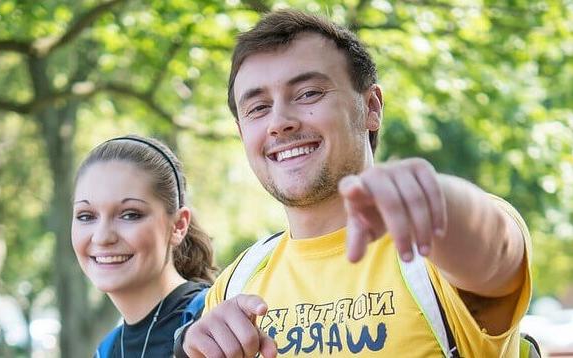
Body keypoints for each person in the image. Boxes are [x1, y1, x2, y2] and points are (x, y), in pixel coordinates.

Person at [178, 9, 532, 358]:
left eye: (308, 93)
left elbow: (494, 250)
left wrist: (437, 202)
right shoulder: (234, 285)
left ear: (371, 107)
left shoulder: (439, 244)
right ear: (242, 133)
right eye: (257, 108)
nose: (279, 122)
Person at [71, 135, 216, 357]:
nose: (102, 237)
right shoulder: (107, 350)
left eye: (130, 215)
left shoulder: (212, 319)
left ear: (178, 225)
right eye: (86, 216)